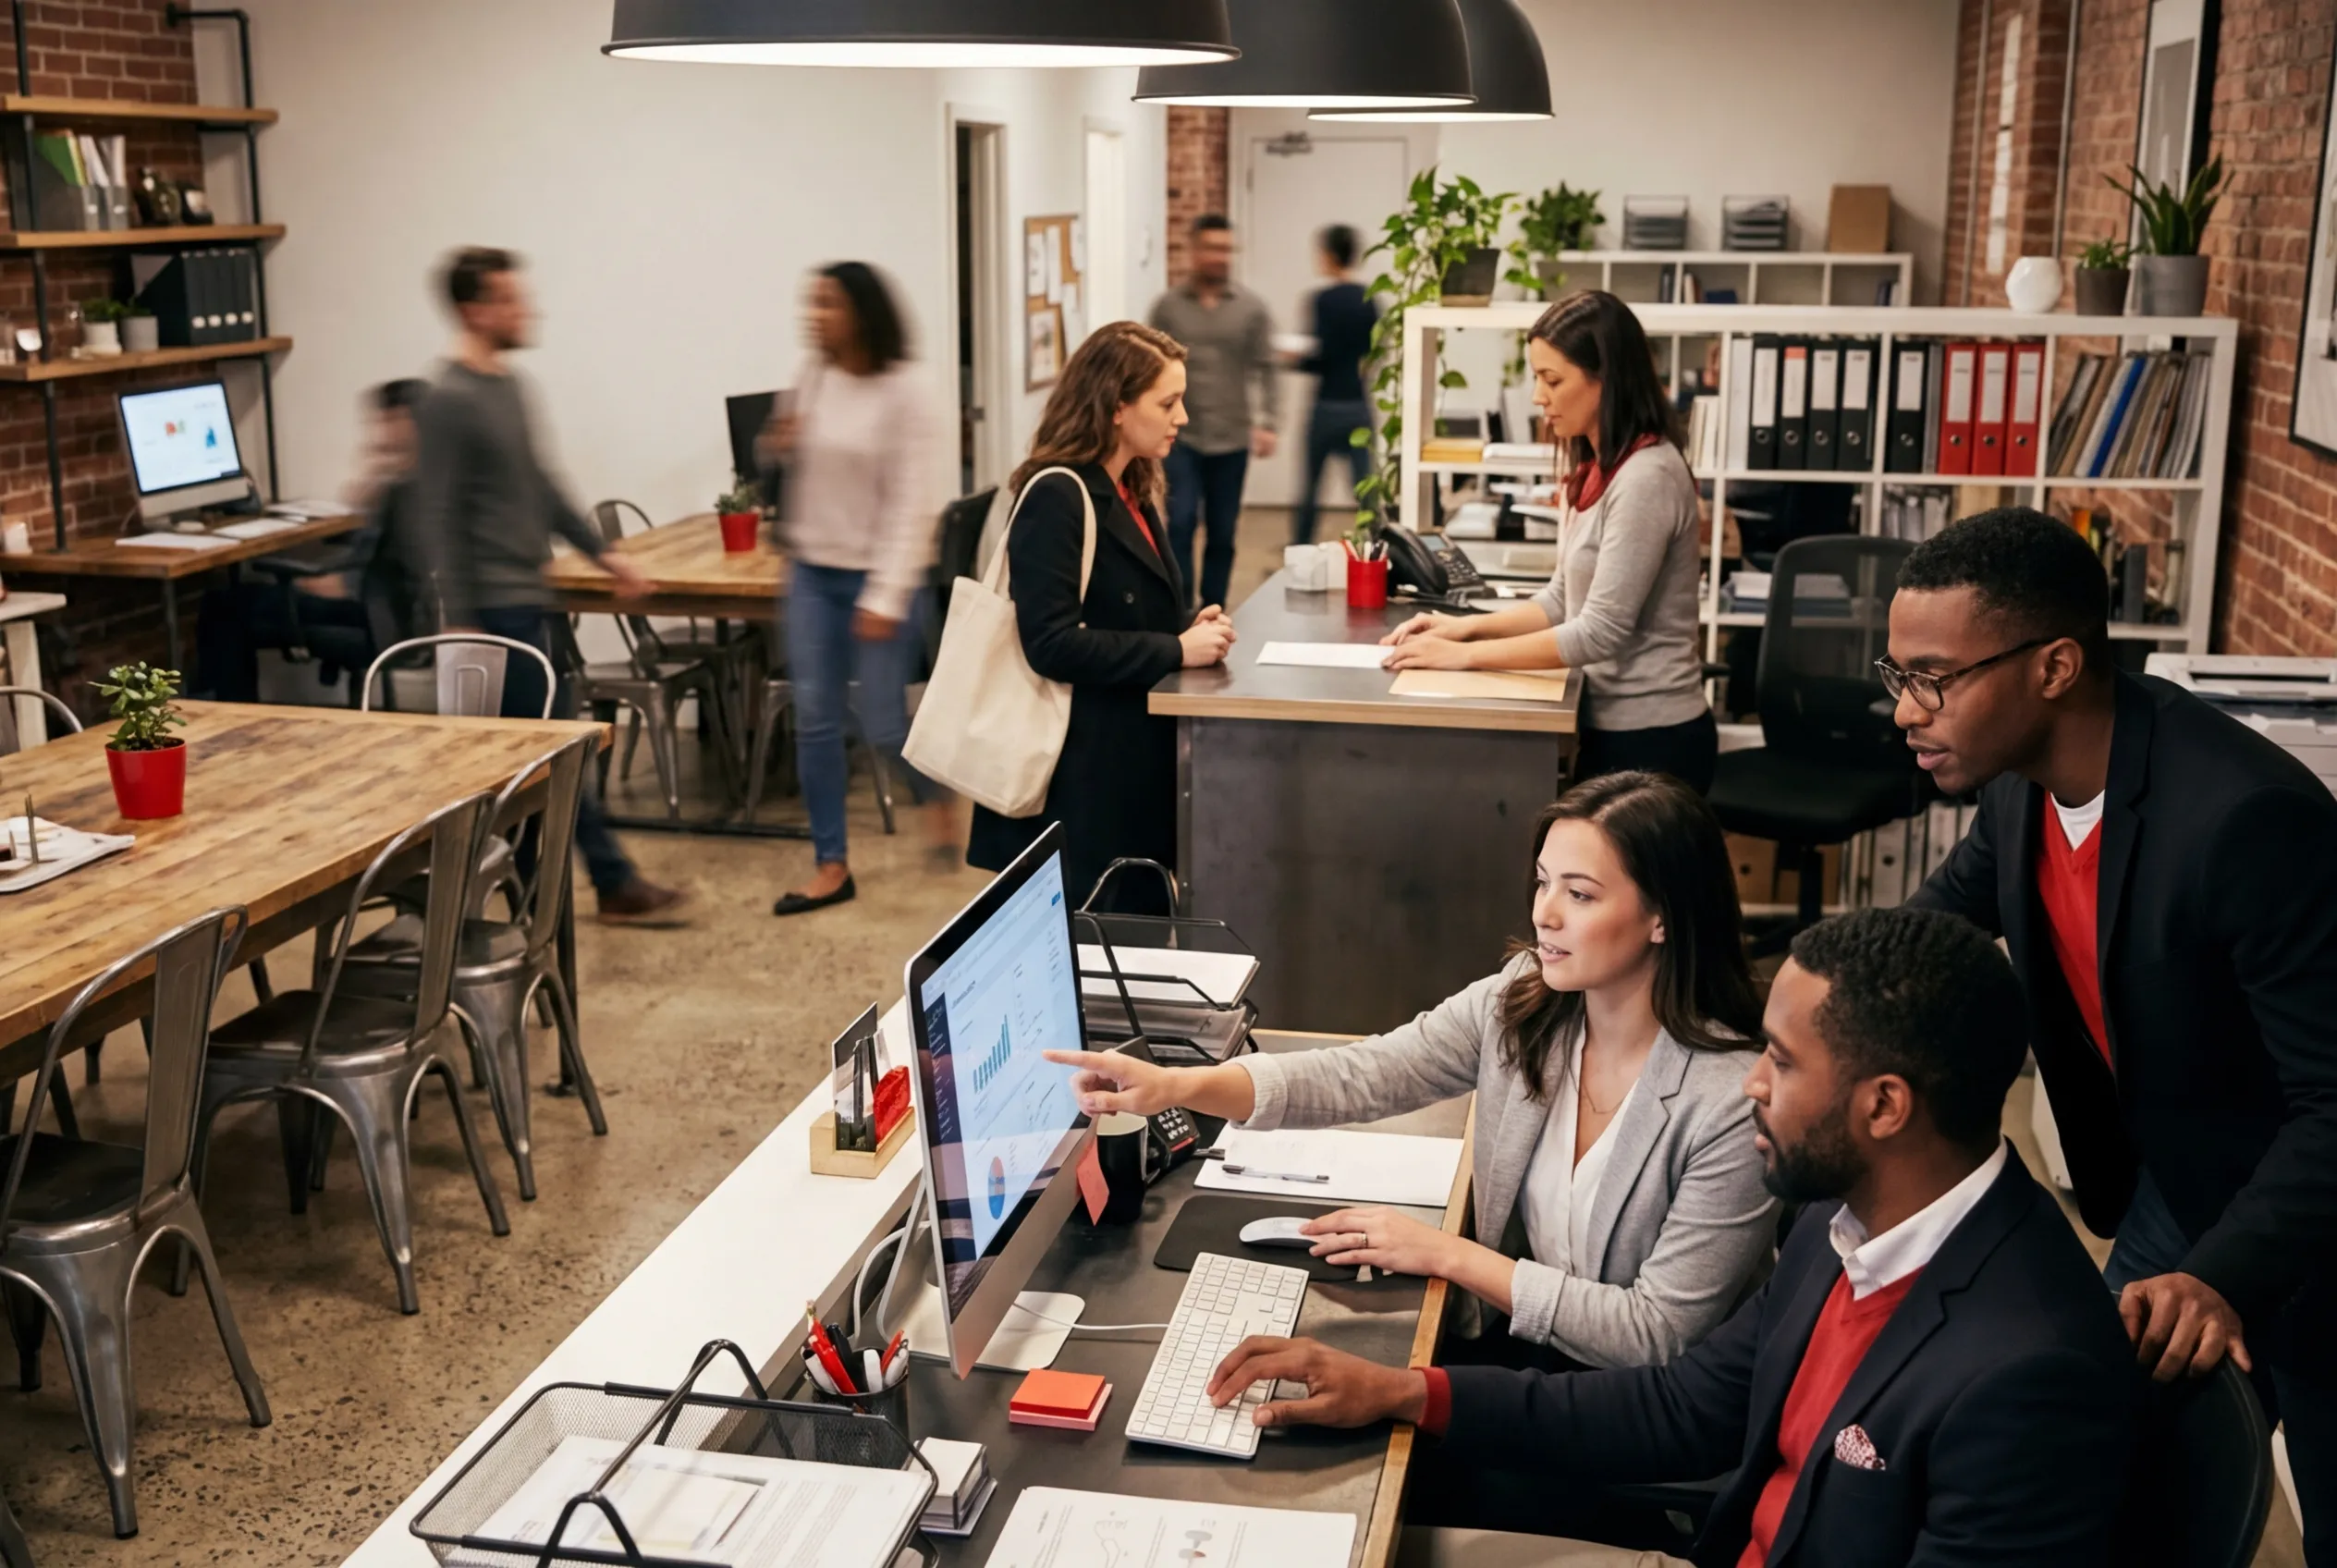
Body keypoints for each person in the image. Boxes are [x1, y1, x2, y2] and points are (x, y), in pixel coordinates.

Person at [1203, 908, 2140, 1564]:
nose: (1748, 1087)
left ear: (1883, 1106)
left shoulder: (2027, 1369)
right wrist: (1404, 1390)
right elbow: (1681, 1406)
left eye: (1778, 1061)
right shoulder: (1841, 1223)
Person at [1892, 506, 2337, 1562]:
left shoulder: (2243, 819)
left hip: (2310, 1232)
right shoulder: (2021, 790)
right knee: (2085, 1464)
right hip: (2174, 1190)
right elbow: (1913, 938)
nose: (1905, 710)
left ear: (2052, 665)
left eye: (1932, 678)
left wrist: (2220, 1272)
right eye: (1895, 674)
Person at [1048, 771, 1774, 1378]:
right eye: (1543, 882)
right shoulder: (1524, 1001)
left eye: (1580, 895)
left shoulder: (1729, 1100)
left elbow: (1656, 1335)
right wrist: (1179, 1086)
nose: (1545, 913)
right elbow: (1366, 1073)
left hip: (1630, 1404)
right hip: (1524, 1353)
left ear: (1662, 918)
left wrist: (1446, 1254)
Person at [409, 246, 687, 928]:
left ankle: (556, 898)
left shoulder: (509, 386)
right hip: (492, 614)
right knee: (545, 760)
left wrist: (605, 556)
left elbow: (543, 487)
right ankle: (574, 893)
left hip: (529, 598)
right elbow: (435, 513)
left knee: (550, 759)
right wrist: (461, 620)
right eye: (508, 299)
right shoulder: (448, 400)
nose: (524, 309)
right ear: (475, 309)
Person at [1379, 291, 1714, 794]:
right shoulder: (1600, 466)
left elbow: (1599, 632)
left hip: (1652, 742)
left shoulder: (1647, 477)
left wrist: (1464, 657)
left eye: (1552, 380)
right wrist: (1464, 630)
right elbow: (1561, 600)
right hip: (1612, 728)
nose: (1539, 396)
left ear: (1607, 379)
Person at [964, 321, 1234, 909]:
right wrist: (1175, 650)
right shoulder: (1057, 496)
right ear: (1116, 406)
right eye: (1167, 402)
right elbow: (1052, 643)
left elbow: (1123, 607)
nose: (1181, 417)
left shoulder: (1130, 486)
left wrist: (1187, 625)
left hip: (1125, 768)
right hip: (1077, 784)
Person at [764, 263, 948, 917]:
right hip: (811, 571)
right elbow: (785, 468)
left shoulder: (907, 390)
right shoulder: (809, 376)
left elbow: (911, 501)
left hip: (876, 575)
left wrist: (884, 593)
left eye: (828, 305)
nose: (814, 317)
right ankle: (830, 863)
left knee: (882, 724)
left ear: (864, 312)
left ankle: (938, 794)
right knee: (814, 721)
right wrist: (777, 446)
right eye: (810, 304)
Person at [194, 378, 430, 704]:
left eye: (387, 420)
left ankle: (228, 710)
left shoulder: (404, 491)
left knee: (225, 608)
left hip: (377, 622)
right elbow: (363, 514)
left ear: (407, 422)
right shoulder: (425, 477)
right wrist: (379, 464)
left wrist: (307, 580)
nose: (379, 428)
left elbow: (348, 584)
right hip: (400, 618)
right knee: (237, 601)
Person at [1146, 214, 1279, 611]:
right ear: (1195, 251)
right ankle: (1182, 607)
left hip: (1231, 437)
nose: (1220, 257)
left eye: (1226, 249)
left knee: (1222, 532)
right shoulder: (1168, 308)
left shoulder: (1251, 308)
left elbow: (1266, 367)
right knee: (1181, 524)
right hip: (1180, 436)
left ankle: (1214, 607)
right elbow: (1148, 366)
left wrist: (1268, 421)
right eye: (1212, 248)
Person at [1290, 223, 1377, 546]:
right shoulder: (1369, 300)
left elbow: (1319, 356)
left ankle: (1299, 552)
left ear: (1328, 255)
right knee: (1366, 491)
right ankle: (1378, 551)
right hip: (1357, 404)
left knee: (1310, 489)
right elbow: (1372, 353)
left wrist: (1293, 359)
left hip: (1326, 405)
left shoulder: (1322, 300)